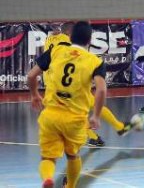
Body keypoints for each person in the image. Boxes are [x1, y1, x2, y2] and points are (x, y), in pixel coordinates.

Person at [28, 21, 106, 187]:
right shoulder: (95, 62)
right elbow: (101, 90)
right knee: (73, 156)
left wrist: (35, 95)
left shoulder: (56, 50)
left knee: (48, 158)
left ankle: (48, 178)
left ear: (70, 37)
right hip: (75, 119)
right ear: (90, 40)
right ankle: (69, 186)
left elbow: (31, 76)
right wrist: (96, 116)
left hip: (51, 115)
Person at [43, 22, 131, 147]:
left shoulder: (50, 39)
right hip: (67, 84)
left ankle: (103, 134)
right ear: (70, 34)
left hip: (53, 83)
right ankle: (110, 130)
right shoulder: (68, 43)